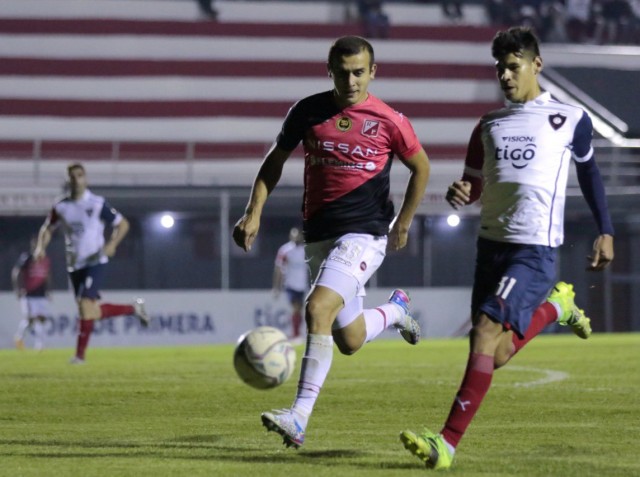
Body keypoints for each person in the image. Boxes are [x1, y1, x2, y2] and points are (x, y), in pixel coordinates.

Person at [400, 27, 614, 470]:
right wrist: (463, 192)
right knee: (493, 353)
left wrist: (605, 229)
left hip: (533, 250)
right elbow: (474, 185)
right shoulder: (488, 125)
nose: (504, 74)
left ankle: (445, 444)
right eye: (499, 67)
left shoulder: (570, 118)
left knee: (482, 331)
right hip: (490, 246)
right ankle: (557, 307)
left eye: (513, 66)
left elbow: (589, 174)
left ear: (536, 65)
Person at [233, 35, 431, 448]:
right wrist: (254, 211)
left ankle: (299, 417)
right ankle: (395, 311)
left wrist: (404, 222)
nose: (351, 80)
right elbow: (274, 161)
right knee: (350, 340)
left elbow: (421, 167)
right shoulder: (307, 111)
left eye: (359, 72)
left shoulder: (389, 120)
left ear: (373, 72)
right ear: (330, 71)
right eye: (343, 72)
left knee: (318, 307)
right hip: (320, 236)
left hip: (365, 234)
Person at [34, 163, 150, 364]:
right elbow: (47, 229)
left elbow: (123, 224)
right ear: (67, 180)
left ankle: (79, 357)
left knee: (86, 306)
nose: (76, 179)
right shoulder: (61, 206)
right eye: (72, 176)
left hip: (95, 261)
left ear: (85, 179)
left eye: (80, 175)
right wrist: (40, 247)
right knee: (89, 311)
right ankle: (133, 309)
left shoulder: (96, 204)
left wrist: (112, 244)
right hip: (74, 264)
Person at [11, 237, 53, 351]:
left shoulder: (45, 260)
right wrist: (18, 289)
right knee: (31, 319)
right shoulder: (27, 258)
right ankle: (20, 336)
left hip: (41, 293)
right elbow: (16, 273)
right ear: (33, 246)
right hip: (29, 294)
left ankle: (39, 345)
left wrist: (48, 291)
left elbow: (47, 276)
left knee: (41, 318)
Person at [272, 227, 309, 343]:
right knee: (295, 308)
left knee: (300, 309)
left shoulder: (305, 250)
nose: (296, 237)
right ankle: (295, 334)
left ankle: (297, 333)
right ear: (290, 236)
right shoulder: (285, 250)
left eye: (298, 235)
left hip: (302, 285)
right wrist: (276, 287)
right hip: (290, 284)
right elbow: (278, 269)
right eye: (294, 235)